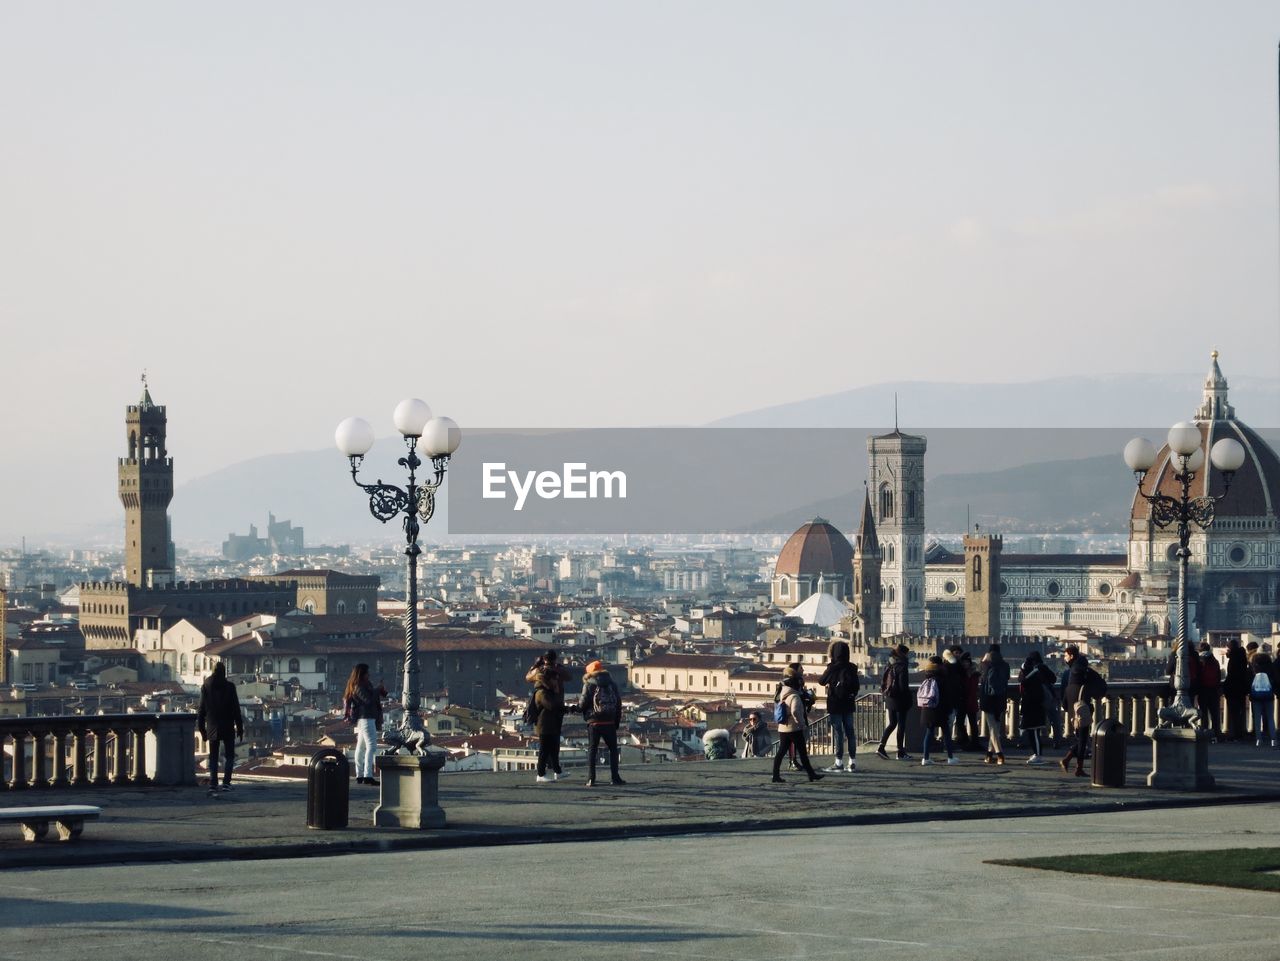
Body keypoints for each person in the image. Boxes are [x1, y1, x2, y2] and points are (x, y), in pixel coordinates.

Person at [772, 663, 823, 783]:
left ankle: (775, 775)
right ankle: (811, 775)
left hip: (783, 728)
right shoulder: (794, 696)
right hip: (794, 729)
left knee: (781, 752)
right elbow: (795, 711)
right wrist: (801, 724)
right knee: (803, 753)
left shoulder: (783, 693)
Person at [197, 662, 243, 796]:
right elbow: (236, 709)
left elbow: (201, 710)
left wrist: (202, 729)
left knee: (213, 756)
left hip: (212, 726)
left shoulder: (206, 686)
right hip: (228, 725)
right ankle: (226, 783)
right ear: (224, 672)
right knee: (229, 756)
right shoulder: (230, 687)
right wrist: (239, 727)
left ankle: (213, 784)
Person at [579, 660, 625, 786]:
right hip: (609, 722)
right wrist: (616, 721)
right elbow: (618, 704)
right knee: (613, 750)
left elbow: (582, 704)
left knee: (592, 750)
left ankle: (591, 779)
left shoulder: (588, 684)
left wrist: (585, 715)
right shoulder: (611, 683)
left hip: (594, 722)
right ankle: (615, 778)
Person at [526, 649, 570, 782]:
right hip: (545, 722)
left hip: (553, 720)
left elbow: (528, 676)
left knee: (554, 746)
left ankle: (557, 770)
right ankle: (541, 773)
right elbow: (551, 705)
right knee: (545, 749)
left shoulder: (540, 671)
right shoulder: (542, 690)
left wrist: (536, 666)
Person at [818, 640, 860, 772]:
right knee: (850, 732)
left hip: (835, 704)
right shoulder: (852, 667)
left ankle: (839, 762)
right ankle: (852, 762)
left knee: (838, 734)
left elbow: (821, 682)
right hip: (848, 703)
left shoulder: (832, 667)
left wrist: (830, 667)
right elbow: (856, 686)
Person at [343, 663, 383, 786]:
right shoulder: (358, 687)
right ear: (362, 674)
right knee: (372, 747)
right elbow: (368, 700)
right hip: (366, 718)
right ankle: (367, 776)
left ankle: (360, 775)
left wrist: (377, 690)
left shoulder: (360, 685)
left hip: (364, 719)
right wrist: (378, 689)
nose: (369, 675)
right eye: (367, 673)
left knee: (361, 747)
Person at [875, 644, 913, 761]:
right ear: (904, 654)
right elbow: (903, 686)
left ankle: (881, 747)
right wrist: (909, 698)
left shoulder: (889, 664)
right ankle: (900, 752)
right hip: (900, 700)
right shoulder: (902, 666)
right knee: (901, 725)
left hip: (890, 698)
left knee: (892, 724)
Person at [917, 654, 956, 765]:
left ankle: (925, 758)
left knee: (929, 733)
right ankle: (950, 757)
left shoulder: (927, 676)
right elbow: (946, 697)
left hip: (927, 709)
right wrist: (949, 710)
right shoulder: (942, 679)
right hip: (940, 710)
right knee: (947, 733)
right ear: (940, 665)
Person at [1019, 651, 1054, 764]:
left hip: (1033, 708)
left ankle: (1038, 755)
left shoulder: (1032, 678)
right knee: (1032, 732)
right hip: (1034, 708)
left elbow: (1033, 695)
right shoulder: (1035, 675)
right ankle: (1036, 753)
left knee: (1034, 732)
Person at [978, 645, 1010, 765]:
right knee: (995, 728)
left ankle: (1000, 755)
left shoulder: (985, 665)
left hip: (988, 700)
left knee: (993, 729)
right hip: (1000, 699)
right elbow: (1006, 678)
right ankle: (989, 755)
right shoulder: (1005, 665)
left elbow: (982, 679)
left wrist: (983, 661)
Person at [1059, 692, 1094, 778]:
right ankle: (1078, 768)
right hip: (1082, 715)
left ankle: (1067, 760)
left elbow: (1064, 703)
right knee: (1082, 743)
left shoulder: (1069, 686)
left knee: (1081, 741)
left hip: (1073, 716)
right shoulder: (1084, 686)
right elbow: (1097, 694)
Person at [1248, 647, 1276, 748]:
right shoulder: (1270, 664)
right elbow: (1274, 679)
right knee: (1270, 717)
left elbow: (1249, 679)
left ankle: (1258, 740)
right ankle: (1273, 740)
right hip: (1268, 694)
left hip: (1256, 695)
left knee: (1257, 717)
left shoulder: (1253, 664)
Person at [1223, 638, 1251, 741]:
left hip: (1233, 689)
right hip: (1241, 689)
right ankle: (1240, 732)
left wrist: (1225, 687)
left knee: (1233, 713)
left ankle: (1234, 734)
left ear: (1231, 647)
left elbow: (1231, 675)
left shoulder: (1233, 658)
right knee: (1240, 712)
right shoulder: (1242, 657)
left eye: (1228, 646)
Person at [1197, 642, 1223, 741]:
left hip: (1203, 690)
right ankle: (1216, 734)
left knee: (1203, 714)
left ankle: (1205, 735)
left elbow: (1199, 676)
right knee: (1215, 714)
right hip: (1214, 691)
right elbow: (1218, 676)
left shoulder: (1200, 661)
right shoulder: (1215, 661)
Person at [957, 651, 981, 750]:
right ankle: (965, 740)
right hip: (962, 701)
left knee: (973, 724)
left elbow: (972, 688)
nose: (965, 664)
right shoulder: (960, 674)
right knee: (959, 723)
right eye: (963, 662)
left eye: (967, 662)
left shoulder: (974, 674)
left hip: (970, 701)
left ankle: (974, 743)